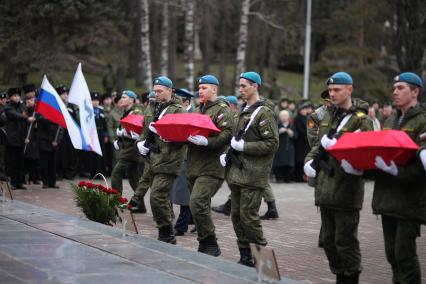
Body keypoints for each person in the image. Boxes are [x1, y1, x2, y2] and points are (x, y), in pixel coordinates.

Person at [345, 72, 425, 284]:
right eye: (394, 88)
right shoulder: (389, 120)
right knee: (392, 255)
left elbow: (422, 167)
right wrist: (360, 169)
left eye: (401, 88)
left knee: (404, 256)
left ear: (415, 92)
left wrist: (396, 171)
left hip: (409, 201)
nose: (395, 92)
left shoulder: (422, 121)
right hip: (386, 198)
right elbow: (379, 158)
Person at [304, 72, 373, 283]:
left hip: (345, 190)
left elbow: (366, 155)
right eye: (330, 90)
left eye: (337, 90)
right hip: (325, 188)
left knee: (345, 242)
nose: (332, 94)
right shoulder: (328, 116)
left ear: (349, 90)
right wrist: (309, 161)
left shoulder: (361, 121)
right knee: (328, 240)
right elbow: (318, 146)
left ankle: (350, 278)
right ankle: (339, 274)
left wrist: (341, 148)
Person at [222, 71, 278, 267]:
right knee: (237, 216)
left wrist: (245, 148)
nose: (241, 89)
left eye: (244, 86)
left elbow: (272, 143)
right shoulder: (241, 109)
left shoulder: (264, 113)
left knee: (249, 218)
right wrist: (229, 152)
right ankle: (245, 254)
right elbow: (236, 137)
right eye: (240, 86)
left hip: (254, 175)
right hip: (238, 173)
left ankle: (263, 260)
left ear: (256, 86)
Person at [186, 75, 232, 256]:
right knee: (199, 205)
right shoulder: (198, 109)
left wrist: (208, 142)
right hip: (194, 166)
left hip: (211, 167)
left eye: (204, 87)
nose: (200, 91)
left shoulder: (222, 110)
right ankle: (204, 243)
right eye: (199, 87)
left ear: (214, 89)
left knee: (197, 202)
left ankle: (210, 242)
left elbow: (227, 134)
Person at [136, 76, 185, 244]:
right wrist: (141, 143)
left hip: (169, 160)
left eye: (159, 91)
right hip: (153, 159)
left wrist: (162, 134)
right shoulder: (155, 107)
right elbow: (144, 129)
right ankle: (165, 233)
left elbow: (181, 138)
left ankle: (167, 233)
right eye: (155, 91)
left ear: (170, 90)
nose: (156, 94)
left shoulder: (178, 110)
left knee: (156, 197)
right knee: (159, 198)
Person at [111, 90, 143, 193]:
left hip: (132, 148)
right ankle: (139, 204)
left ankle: (116, 201)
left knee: (116, 173)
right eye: (121, 97)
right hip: (127, 147)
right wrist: (119, 139)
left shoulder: (136, 112)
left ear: (132, 100)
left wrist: (124, 134)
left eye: (124, 97)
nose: (121, 100)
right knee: (133, 176)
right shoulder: (126, 112)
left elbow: (138, 131)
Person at [5, 87, 35, 190]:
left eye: (18, 96)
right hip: (12, 139)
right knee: (13, 162)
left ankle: (19, 182)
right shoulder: (8, 107)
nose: (17, 97)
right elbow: (15, 116)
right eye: (14, 96)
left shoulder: (22, 107)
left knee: (20, 162)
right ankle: (13, 182)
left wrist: (27, 137)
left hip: (21, 139)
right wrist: (27, 118)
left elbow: (25, 123)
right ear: (10, 97)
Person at [56, 85, 79, 180]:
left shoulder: (70, 105)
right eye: (63, 94)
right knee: (60, 153)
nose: (66, 96)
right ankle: (59, 173)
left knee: (69, 153)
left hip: (69, 133)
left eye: (66, 94)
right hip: (59, 132)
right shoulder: (57, 104)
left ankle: (68, 173)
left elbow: (74, 118)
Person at [272, 110, 296, 183]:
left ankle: (287, 178)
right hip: (279, 148)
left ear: (288, 117)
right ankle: (279, 178)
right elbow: (272, 136)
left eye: (285, 116)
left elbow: (296, 136)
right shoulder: (276, 125)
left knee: (289, 165)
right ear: (279, 117)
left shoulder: (292, 125)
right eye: (282, 116)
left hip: (289, 148)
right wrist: (279, 132)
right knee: (278, 164)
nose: (284, 117)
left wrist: (292, 134)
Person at [293, 102, 311, 182]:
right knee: (299, 160)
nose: (304, 111)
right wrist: (306, 133)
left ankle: (303, 176)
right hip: (300, 142)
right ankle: (297, 176)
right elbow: (299, 129)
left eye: (305, 109)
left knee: (305, 159)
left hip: (306, 142)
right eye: (302, 109)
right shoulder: (297, 118)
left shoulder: (308, 118)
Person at [0, 92, 9, 181]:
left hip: (3, 136)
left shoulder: (4, 109)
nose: (5, 101)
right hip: (1, 135)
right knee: (1, 156)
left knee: (3, 156)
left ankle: (3, 173)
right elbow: (3, 120)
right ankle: (1, 174)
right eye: (3, 99)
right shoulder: (2, 110)